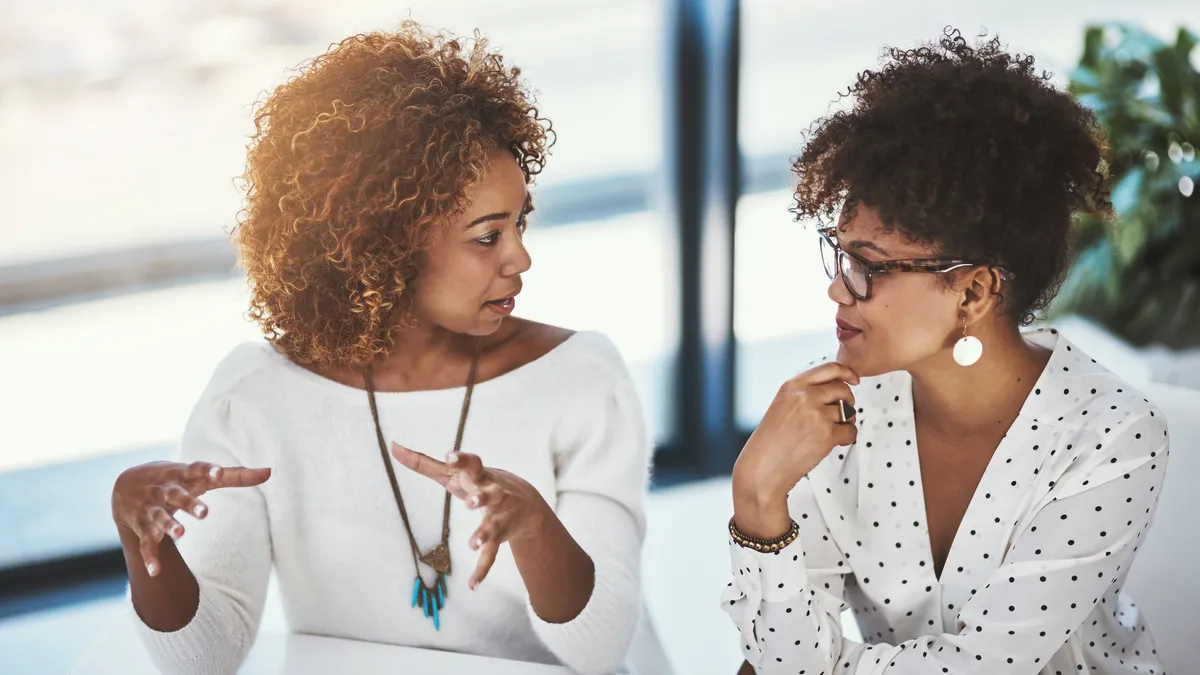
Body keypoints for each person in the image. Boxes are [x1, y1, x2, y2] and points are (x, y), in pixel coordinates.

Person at [109, 21, 650, 675]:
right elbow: (207, 656)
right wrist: (143, 544)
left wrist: (533, 524)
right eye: (487, 236)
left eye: (520, 223)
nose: (520, 257)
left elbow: (602, 648)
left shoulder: (582, 380)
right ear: (384, 242)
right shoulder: (252, 397)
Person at [725, 28, 1169, 675]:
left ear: (974, 291)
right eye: (839, 251)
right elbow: (776, 662)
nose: (836, 287)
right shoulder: (828, 411)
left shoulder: (1111, 438)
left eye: (867, 266)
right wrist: (757, 496)